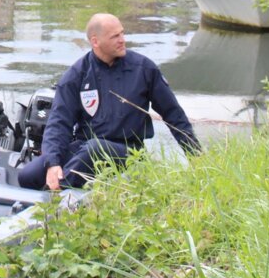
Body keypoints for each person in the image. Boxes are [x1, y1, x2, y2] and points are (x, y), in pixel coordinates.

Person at [18, 13, 200, 190]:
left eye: (122, 33)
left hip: (128, 151)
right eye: (115, 36)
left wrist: (196, 156)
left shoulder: (144, 69)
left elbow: (173, 114)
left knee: (94, 149)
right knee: (28, 176)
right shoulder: (76, 75)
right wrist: (52, 162)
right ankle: (55, 185)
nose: (122, 40)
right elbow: (59, 122)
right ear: (95, 42)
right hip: (84, 145)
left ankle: (56, 195)